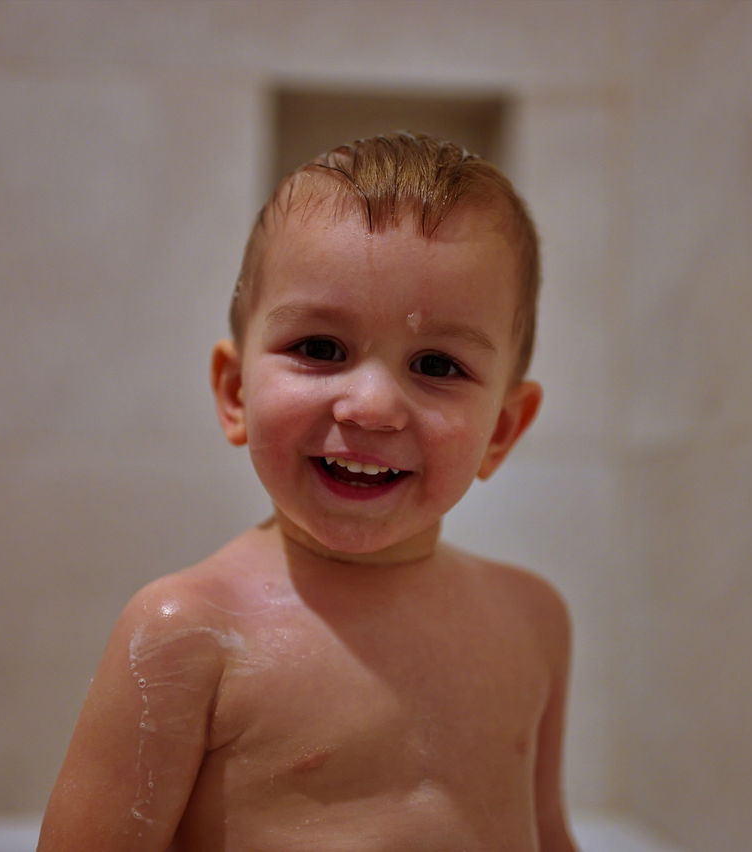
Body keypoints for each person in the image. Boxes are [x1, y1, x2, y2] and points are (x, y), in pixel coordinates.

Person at [39, 132, 576, 851]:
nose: (372, 406)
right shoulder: (187, 632)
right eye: (320, 349)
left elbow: (547, 835)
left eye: (437, 364)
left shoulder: (532, 621)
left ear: (504, 429)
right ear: (234, 392)